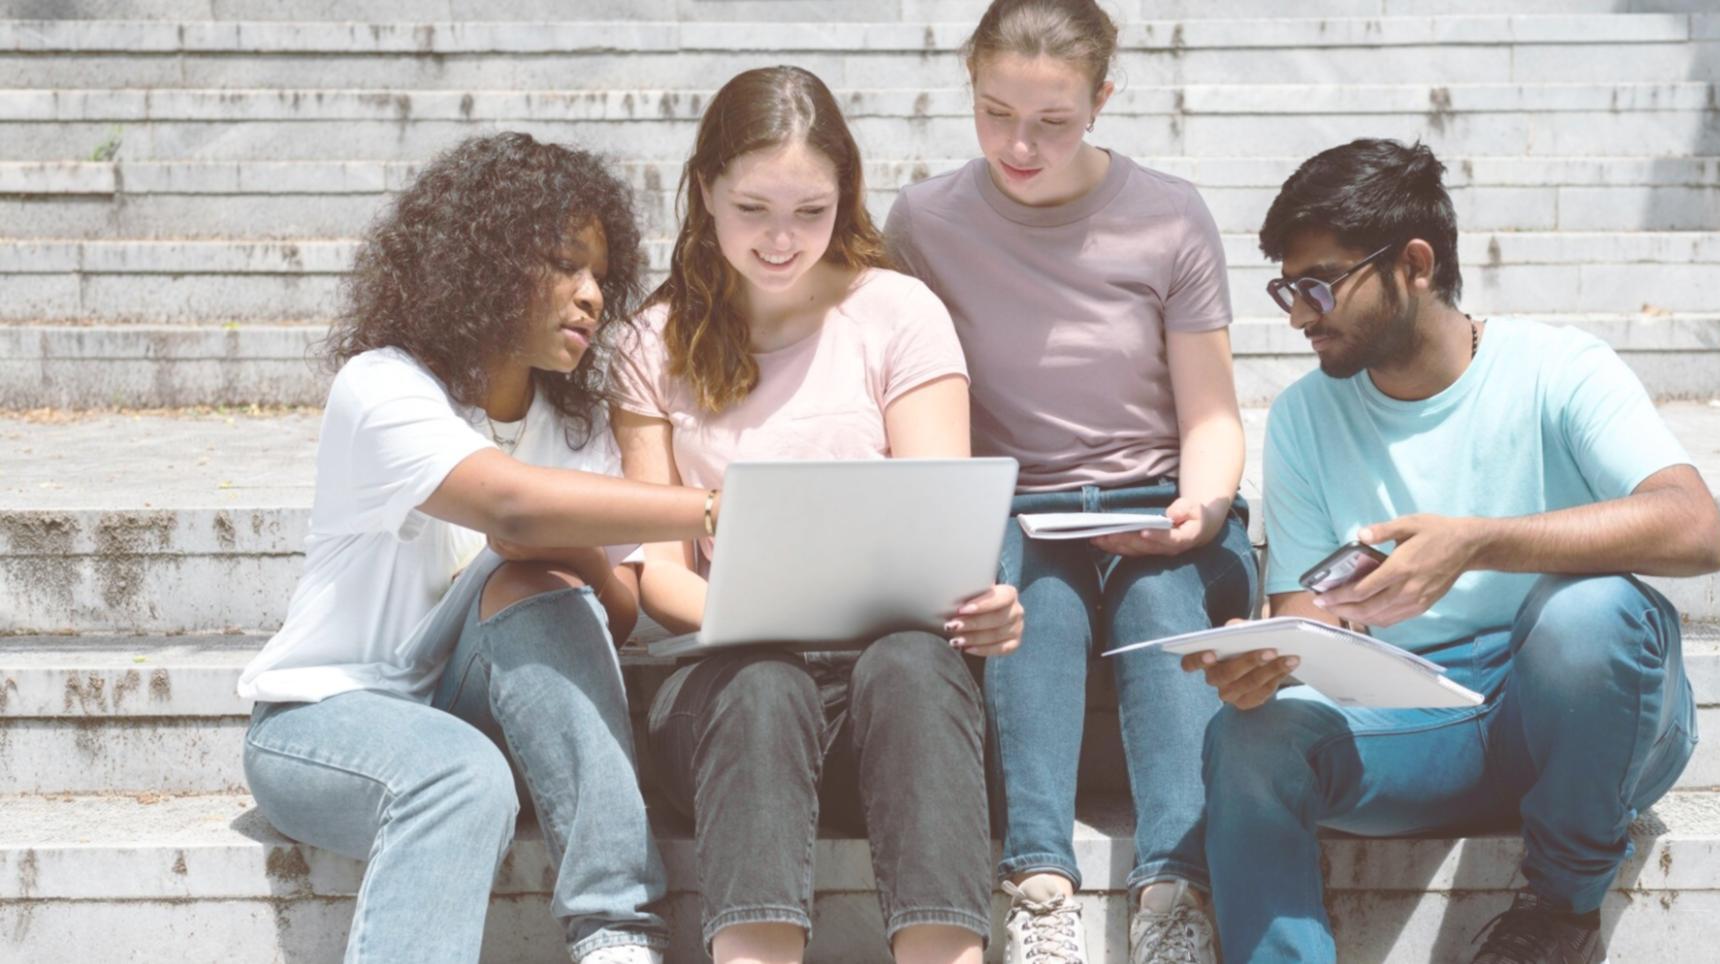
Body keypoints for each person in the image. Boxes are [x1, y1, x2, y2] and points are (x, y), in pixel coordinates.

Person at [1192, 138, 1720, 964]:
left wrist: (1476, 543)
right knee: (1249, 738)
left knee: (1589, 612)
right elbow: (1307, 620)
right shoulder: (1304, 418)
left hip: (1583, 717)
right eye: (1286, 289)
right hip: (1420, 723)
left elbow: (1694, 527)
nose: (1298, 314)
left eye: (1318, 284)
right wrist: (1270, 663)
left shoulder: (1558, 369)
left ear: (1413, 263)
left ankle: (1559, 910)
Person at [236, 132, 714, 964]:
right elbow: (510, 505)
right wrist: (711, 509)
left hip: (480, 711)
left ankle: (616, 935)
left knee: (538, 577)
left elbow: (624, 609)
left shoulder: (576, 425)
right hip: (326, 721)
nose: (592, 296)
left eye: (601, 275)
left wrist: (576, 554)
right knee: (459, 773)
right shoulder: (383, 387)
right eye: (565, 265)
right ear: (482, 265)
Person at [613, 66, 1024, 964]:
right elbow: (659, 574)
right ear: (706, 192)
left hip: (891, 705)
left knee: (915, 664)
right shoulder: (654, 341)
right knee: (763, 681)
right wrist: (759, 616)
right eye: (753, 208)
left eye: (811, 210)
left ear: (847, 197)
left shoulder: (898, 313)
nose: (780, 239)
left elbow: (939, 529)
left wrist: (981, 603)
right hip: (724, 699)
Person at [883, 2, 1255, 961]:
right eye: (994, 111)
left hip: (1156, 493)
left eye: (1051, 122)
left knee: (1162, 595)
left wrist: (1201, 506)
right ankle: (1039, 883)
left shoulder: (1168, 214)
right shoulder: (925, 220)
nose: (1018, 144)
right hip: (1013, 503)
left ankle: (1175, 890)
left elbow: (1212, 411)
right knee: (1026, 594)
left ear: (1102, 99)